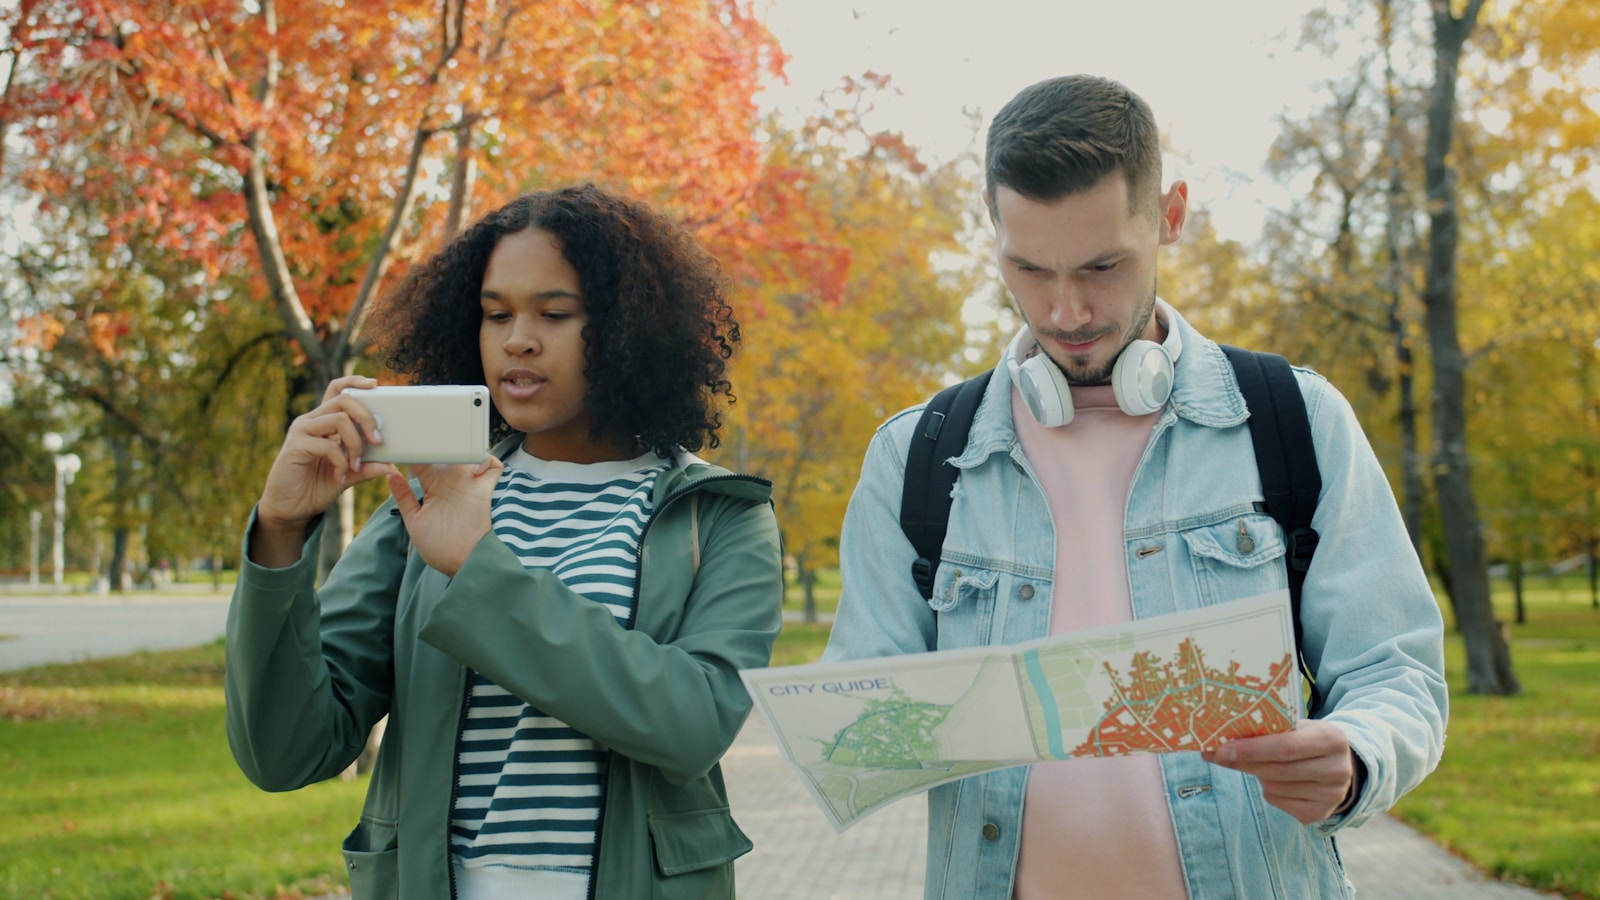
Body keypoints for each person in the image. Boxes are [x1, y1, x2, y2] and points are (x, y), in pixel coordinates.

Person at [823, 75, 1448, 899]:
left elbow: (1394, 669)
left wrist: (1358, 754)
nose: (1067, 308)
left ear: (1171, 215)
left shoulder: (1296, 419)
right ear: (993, 227)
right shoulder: (916, 457)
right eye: (1029, 268)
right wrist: (862, 734)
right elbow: (857, 717)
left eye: (1103, 266)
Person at [224, 184, 784, 899]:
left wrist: (480, 574)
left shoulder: (718, 514)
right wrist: (278, 533)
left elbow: (691, 723)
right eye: (496, 314)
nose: (518, 338)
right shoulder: (423, 501)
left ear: (628, 329)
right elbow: (284, 750)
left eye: (555, 313)